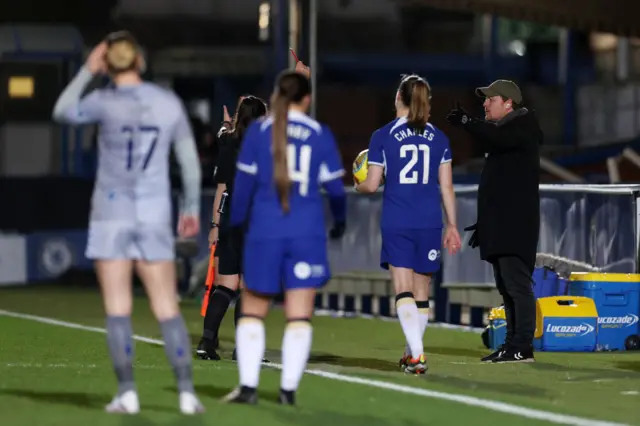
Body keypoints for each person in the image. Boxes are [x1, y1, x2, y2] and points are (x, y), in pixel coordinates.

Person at [52, 31, 204, 414]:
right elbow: (189, 165)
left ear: (108, 63)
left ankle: (128, 393)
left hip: (111, 216)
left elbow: (62, 110)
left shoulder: (103, 102)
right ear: (140, 61)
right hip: (153, 214)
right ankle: (186, 394)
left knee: (118, 308)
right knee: (167, 307)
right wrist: (189, 211)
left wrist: (87, 71)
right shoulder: (167, 103)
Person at [222, 69, 346, 405]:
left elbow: (242, 188)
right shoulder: (319, 133)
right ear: (307, 99)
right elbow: (336, 190)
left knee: (253, 309)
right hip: (305, 232)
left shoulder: (259, 132)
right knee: (299, 312)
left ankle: (248, 388)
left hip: (264, 230)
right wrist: (340, 221)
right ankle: (288, 391)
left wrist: (235, 225)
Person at [355, 74, 461, 375]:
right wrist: (452, 224)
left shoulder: (383, 135)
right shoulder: (439, 137)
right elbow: (447, 187)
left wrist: (357, 184)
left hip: (398, 220)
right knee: (422, 293)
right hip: (429, 222)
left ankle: (417, 354)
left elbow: (372, 184)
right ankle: (411, 352)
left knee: (402, 290)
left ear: (397, 99)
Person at [445, 79, 542, 363]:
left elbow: (496, 138)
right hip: (503, 224)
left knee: (517, 286)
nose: (485, 103)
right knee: (506, 287)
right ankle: (513, 346)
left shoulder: (524, 126)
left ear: (508, 102)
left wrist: (466, 121)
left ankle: (523, 346)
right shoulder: (505, 132)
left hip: (516, 226)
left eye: (491, 99)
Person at [197, 95, 268, 361]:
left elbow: (222, 189)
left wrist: (214, 225)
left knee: (225, 286)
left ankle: (206, 342)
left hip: (230, 223)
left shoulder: (228, 143)